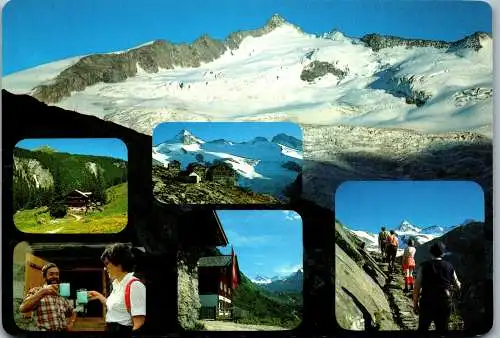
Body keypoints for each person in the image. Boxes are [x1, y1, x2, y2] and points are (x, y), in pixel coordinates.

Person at [88, 243, 146, 336]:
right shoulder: (116, 284)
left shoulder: (134, 285)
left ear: (118, 263)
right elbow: (118, 308)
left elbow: (139, 323)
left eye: (107, 263)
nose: (105, 268)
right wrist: (99, 296)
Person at [413, 241, 461, 333]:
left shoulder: (423, 266)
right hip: (444, 302)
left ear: (431, 252)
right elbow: (457, 284)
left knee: (423, 329)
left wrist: (415, 304)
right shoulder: (449, 266)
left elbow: (416, 287)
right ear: (443, 253)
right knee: (442, 329)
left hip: (427, 302)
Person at [19, 263, 76, 331]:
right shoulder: (36, 291)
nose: (54, 276)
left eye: (57, 274)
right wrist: (43, 292)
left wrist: (70, 324)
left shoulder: (62, 294)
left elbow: (73, 312)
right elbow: (22, 308)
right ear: (44, 277)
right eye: (51, 274)